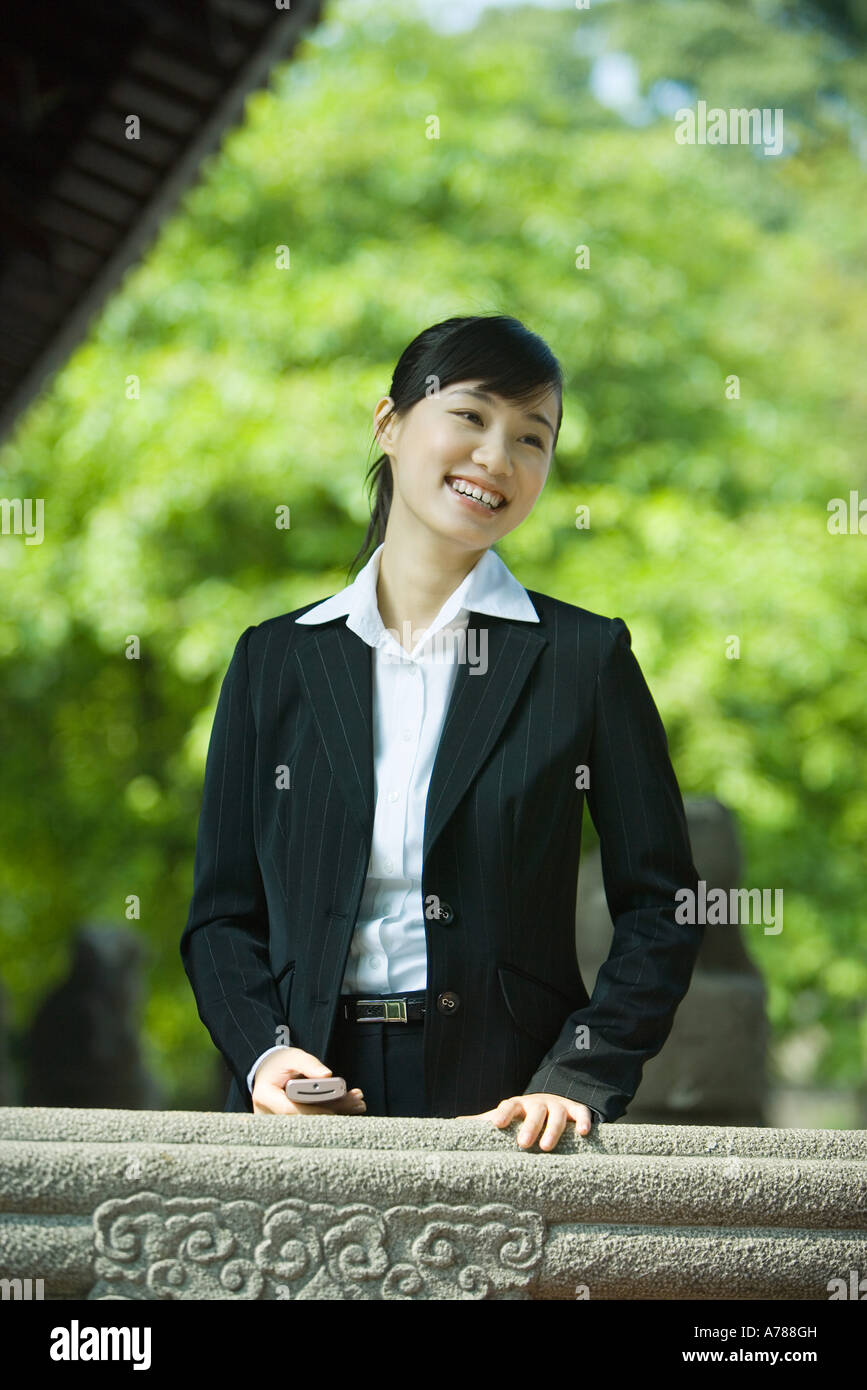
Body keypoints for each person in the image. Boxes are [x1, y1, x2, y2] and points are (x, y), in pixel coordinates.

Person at [180, 313, 703, 1153]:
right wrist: (266, 1057)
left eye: (531, 438)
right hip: (305, 1102)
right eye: (470, 415)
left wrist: (578, 1074)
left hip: (508, 1104)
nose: (497, 458)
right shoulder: (274, 661)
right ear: (388, 424)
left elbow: (664, 906)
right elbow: (221, 916)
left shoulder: (581, 657)